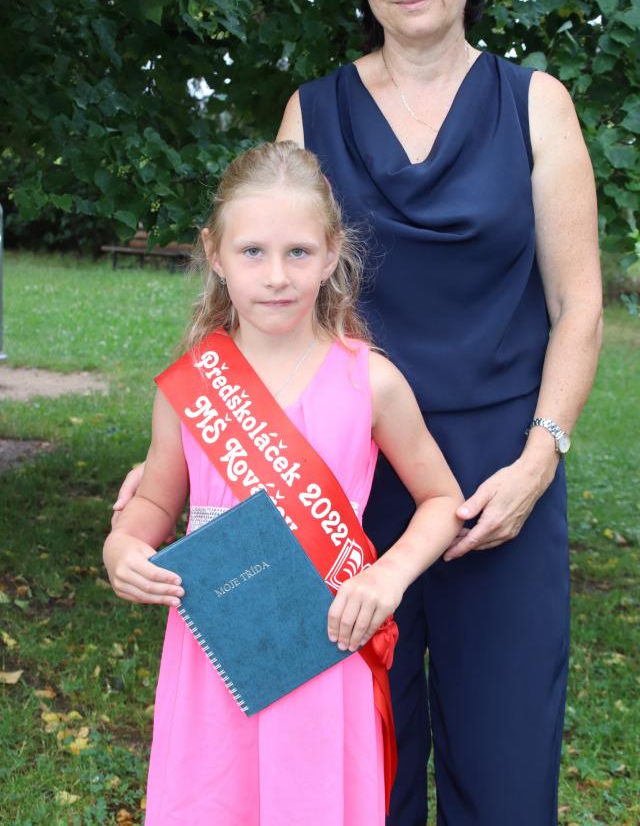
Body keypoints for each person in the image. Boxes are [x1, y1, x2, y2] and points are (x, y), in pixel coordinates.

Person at [114, 0, 603, 826]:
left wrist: (539, 455)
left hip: (497, 481)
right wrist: (181, 454)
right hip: (330, 478)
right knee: (354, 772)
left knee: (506, 770)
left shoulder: (535, 106)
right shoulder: (313, 110)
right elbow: (264, 284)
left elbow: (578, 306)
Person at [104, 140, 466, 825]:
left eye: (298, 252)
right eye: (252, 252)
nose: (276, 276)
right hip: (214, 657)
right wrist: (122, 546)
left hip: (322, 652)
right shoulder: (191, 387)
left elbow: (442, 500)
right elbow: (153, 498)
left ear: (331, 255)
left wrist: (387, 577)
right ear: (214, 254)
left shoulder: (371, 381)